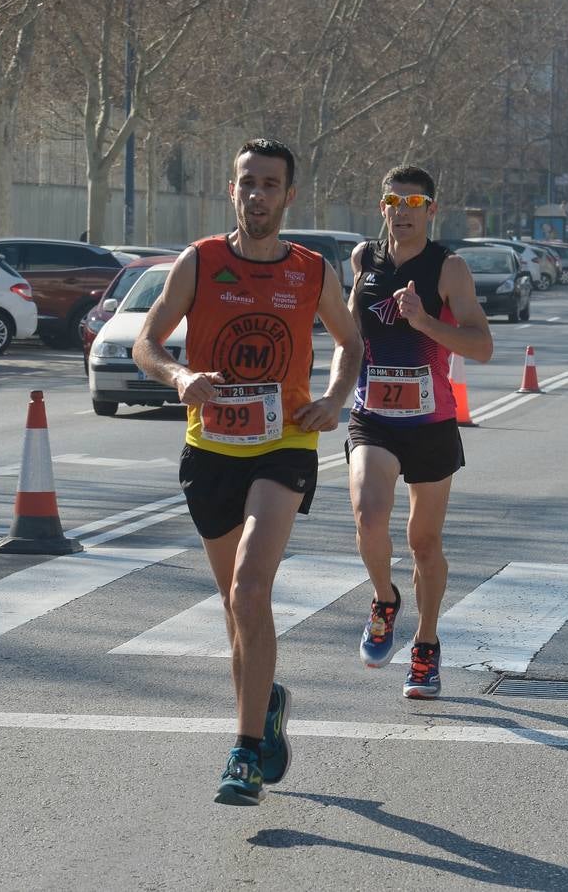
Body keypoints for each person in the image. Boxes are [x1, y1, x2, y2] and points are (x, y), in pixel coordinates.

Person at [132, 139, 361, 806]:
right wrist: (179, 374)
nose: (257, 194)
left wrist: (333, 399)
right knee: (236, 613)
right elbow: (145, 341)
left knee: (249, 591)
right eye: (246, 183)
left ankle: (244, 752)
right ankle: (265, 705)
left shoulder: (311, 270)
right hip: (210, 452)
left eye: (270, 184)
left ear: (289, 196)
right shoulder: (200, 262)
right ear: (231, 191)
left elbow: (350, 341)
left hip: (283, 446)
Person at [345, 165, 493, 699]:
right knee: (367, 514)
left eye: (414, 204)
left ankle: (426, 647)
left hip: (430, 422)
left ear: (431, 210)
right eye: (393, 201)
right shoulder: (364, 260)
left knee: (423, 542)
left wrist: (425, 321)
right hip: (373, 416)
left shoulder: (448, 268)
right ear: (381, 206)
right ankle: (385, 600)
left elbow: (481, 346)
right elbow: (350, 336)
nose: (401, 212)